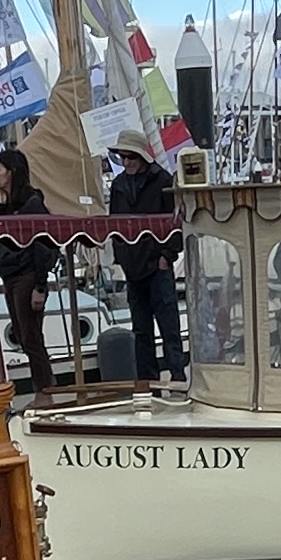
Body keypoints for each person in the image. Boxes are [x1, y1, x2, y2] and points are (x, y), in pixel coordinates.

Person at [105, 132, 185, 387]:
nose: (126, 161)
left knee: (169, 329)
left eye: (130, 156)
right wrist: (122, 258)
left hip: (157, 265)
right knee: (141, 331)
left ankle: (178, 380)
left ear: (141, 156)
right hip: (133, 268)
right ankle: (147, 385)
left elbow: (177, 222)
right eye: (122, 156)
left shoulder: (163, 180)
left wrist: (167, 256)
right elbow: (115, 225)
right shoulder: (118, 185)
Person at [0, 145, 59, 396]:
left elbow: (44, 245)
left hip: (27, 275)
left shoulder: (32, 203)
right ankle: (46, 386)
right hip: (10, 274)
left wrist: (40, 286)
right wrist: (0, 203)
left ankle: (45, 389)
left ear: (11, 172)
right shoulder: (9, 204)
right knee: (22, 334)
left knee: (30, 336)